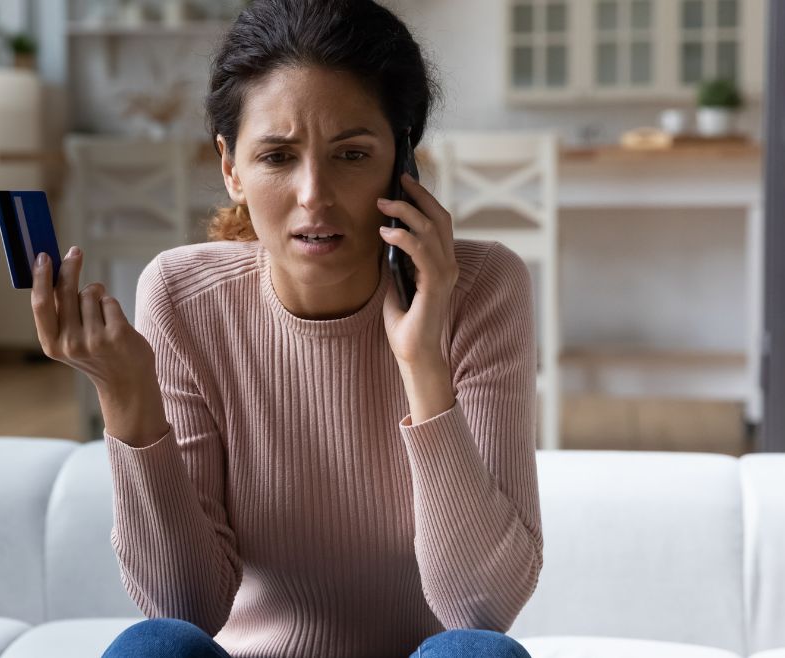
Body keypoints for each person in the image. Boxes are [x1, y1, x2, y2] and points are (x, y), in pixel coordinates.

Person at [29, 0, 543, 655]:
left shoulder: (482, 288)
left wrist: (421, 364)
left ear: (402, 160)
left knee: (478, 656)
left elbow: (482, 607)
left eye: (352, 154)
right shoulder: (184, 295)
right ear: (230, 168)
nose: (313, 194)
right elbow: (185, 607)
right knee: (152, 645)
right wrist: (130, 404)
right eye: (277, 156)